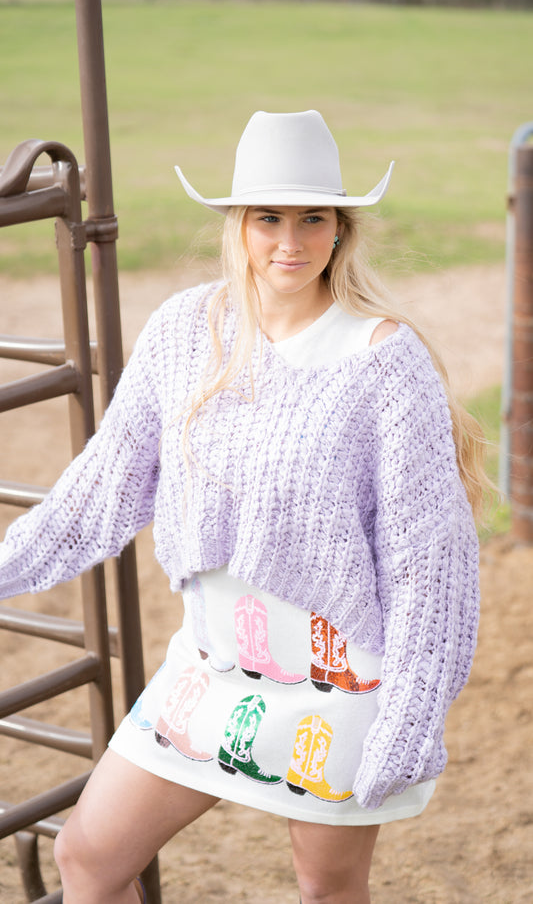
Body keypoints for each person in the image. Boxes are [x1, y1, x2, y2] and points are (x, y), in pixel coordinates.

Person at [0, 110, 486, 904]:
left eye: (311, 218)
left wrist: (411, 712)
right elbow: (105, 479)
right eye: (267, 216)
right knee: (88, 856)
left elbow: (431, 560)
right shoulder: (186, 331)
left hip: (339, 685)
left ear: (340, 230)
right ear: (237, 224)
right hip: (210, 666)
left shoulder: (383, 360)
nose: (288, 240)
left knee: (324, 890)